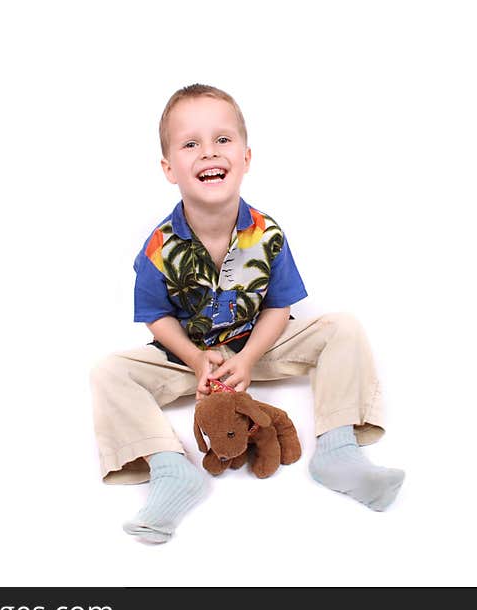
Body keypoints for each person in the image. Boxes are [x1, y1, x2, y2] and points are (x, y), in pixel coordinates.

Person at [90, 84, 404, 543]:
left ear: (246, 157)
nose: (208, 152)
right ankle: (170, 470)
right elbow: (157, 317)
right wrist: (197, 359)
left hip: (257, 344)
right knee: (108, 373)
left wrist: (251, 357)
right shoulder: (159, 249)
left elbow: (279, 306)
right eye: (190, 144)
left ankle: (337, 450)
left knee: (343, 327)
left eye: (222, 140)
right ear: (169, 168)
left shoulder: (266, 233)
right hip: (191, 358)